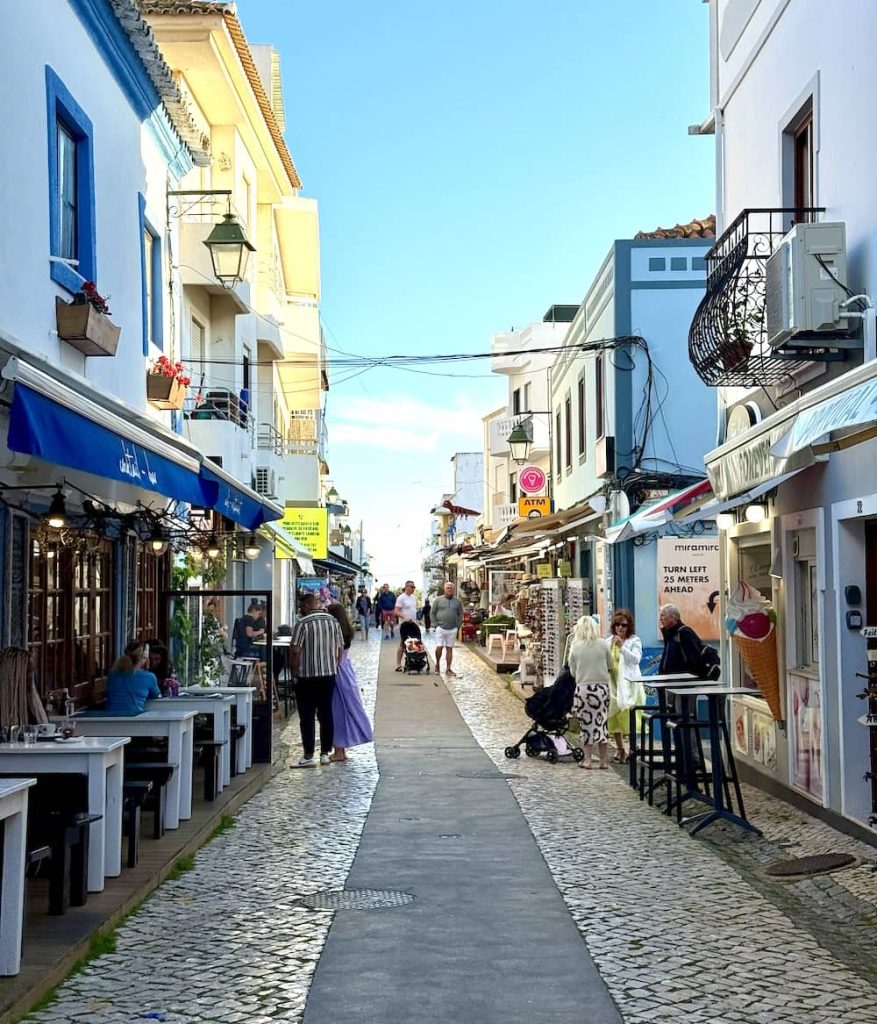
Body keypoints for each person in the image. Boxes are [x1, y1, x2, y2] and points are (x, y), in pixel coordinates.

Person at [289, 593, 344, 767]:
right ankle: (325, 753)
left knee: (306, 715)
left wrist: (294, 672)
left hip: (307, 676)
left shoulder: (302, 623)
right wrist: (334, 665)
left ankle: (308, 755)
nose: (300, 610)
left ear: (305, 606)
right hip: (328, 674)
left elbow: (295, 651)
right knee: (326, 713)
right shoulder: (332, 621)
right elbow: (340, 647)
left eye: (301, 606)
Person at [325, 603, 373, 761]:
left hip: (337, 671)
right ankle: (341, 749)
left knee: (337, 710)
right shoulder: (347, 631)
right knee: (345, 709)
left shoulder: (334, 633)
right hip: (346, 670)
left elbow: (334, 655)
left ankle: (339, 750)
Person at [567, 615, 615, 770]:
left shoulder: (575, 647)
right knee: (601, 722)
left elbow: (573, 672)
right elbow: (610, 664)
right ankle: (603, 761)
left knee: (586, 724)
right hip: (601, 689)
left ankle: (588, 760)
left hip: (584, 690)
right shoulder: (603, 645)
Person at [606, 609, 644, 764]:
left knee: (630, 719)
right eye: (617, 625)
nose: (620, 628)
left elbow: (636, 659)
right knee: (614, 718)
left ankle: (633, 749)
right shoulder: (609, 641)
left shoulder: (634, 641)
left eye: (624, 625)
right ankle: (620, 748)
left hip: (629, 686)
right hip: (613, 685)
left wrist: (622, 647)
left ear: (629, 627)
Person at [106, 641, 161, 715]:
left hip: (109, 718)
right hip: (134, 719)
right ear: (144, 658)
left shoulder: (112, 675)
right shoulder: (149, 677)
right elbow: (157, 696)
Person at [0, 646, 48, 730]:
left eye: (32, 671)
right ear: (13, 674)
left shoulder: (32, 705)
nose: (31, 676)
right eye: (28, 671)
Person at [659, 603, 705, 675]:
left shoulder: (684, 633)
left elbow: (694, 658)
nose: (660, 619)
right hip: (669, 680)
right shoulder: (669, 634)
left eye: (663, 615)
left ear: (673, 616)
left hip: (681, 681)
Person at [432, 580, 464, 676]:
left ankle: (448, 668)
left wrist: (457, 626)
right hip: (440, 628)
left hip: (452, 628)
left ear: (453, 590)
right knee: (439, 647)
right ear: (444, 589)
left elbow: (461, 614)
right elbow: (432, 613)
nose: (449, 589)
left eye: (451, 588)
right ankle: (437, 664)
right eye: (448, 588)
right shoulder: (438, 600)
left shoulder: (457, 601)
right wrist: (436, 625)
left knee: (449, 648)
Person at [394, 580, 419, 670]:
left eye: (414, 587)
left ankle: (412, 662)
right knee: (402, 643)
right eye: (412, 587)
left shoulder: (413, 597)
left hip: (413, 624)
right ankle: (398, 664)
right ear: (407, 587)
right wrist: (404, 617)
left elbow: (413, 609)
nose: (413, 589)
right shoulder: (401, 598)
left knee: (413, 642)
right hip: (404, 624)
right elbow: (396, 611)